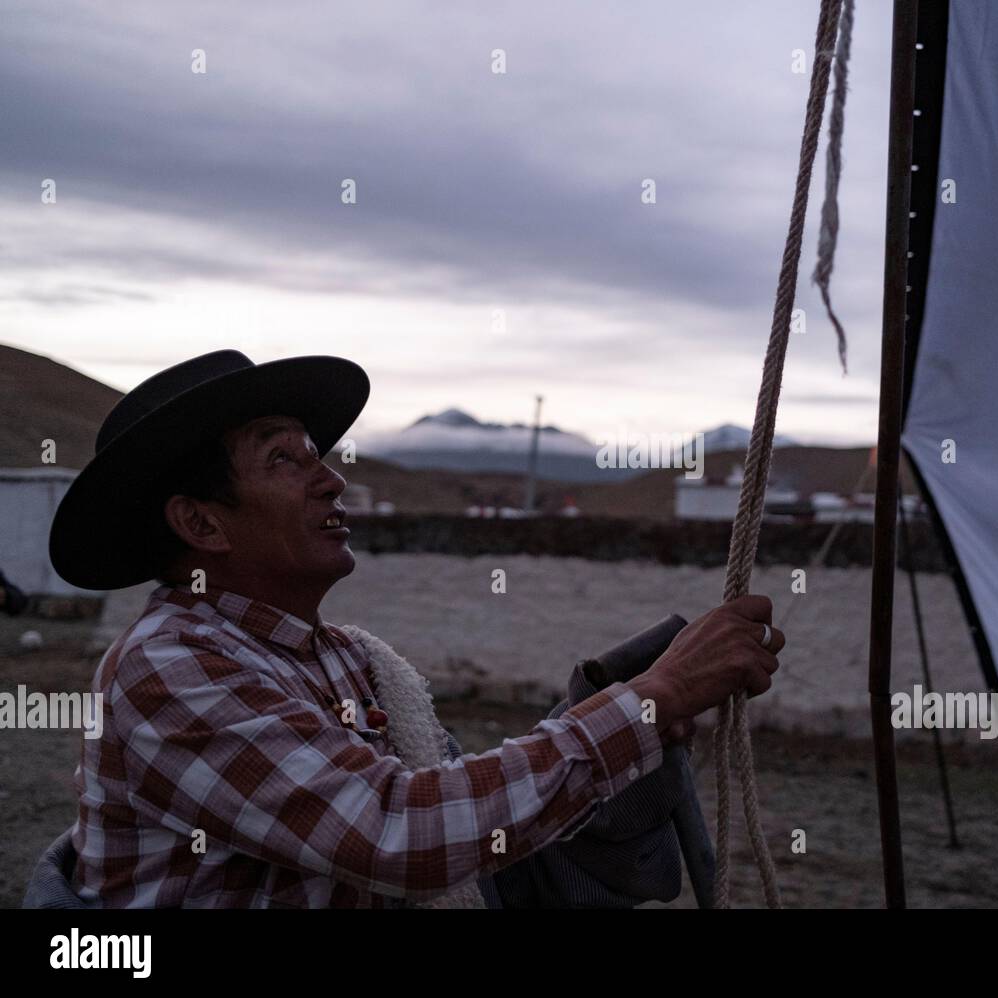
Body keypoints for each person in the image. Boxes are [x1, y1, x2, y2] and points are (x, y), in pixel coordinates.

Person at [28, 350, 785, 908]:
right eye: (284, 459)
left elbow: (457, 804)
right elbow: (397, 835)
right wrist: (655, 697)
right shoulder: (168, 669)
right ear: (200, 522)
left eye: (317, 454)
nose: (332, 478)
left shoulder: (352, 661)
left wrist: (634, 716)